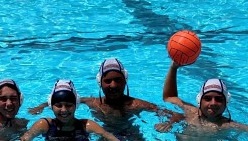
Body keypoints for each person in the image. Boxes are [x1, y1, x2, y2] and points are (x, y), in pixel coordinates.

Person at [29, 57, 183, 134]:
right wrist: (42, 106)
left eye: (118, 80)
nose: (113, 85)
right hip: (104, 136)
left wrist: (168, 123)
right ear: (100, 83)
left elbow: (177, 115)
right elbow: (65, 100)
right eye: (108, 81)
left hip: (131, 135)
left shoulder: (136, 104)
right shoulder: (92, 102)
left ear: (125, 81)